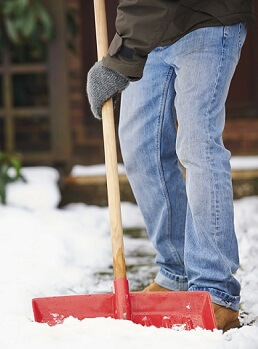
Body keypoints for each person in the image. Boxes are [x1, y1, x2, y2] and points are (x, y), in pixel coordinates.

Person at [87, 0, 255, 332]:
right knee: (139, 144)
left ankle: (213, 291)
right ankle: (176, 272)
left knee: (197, 141)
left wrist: (119, 58)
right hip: (153, 34)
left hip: (209, 17)